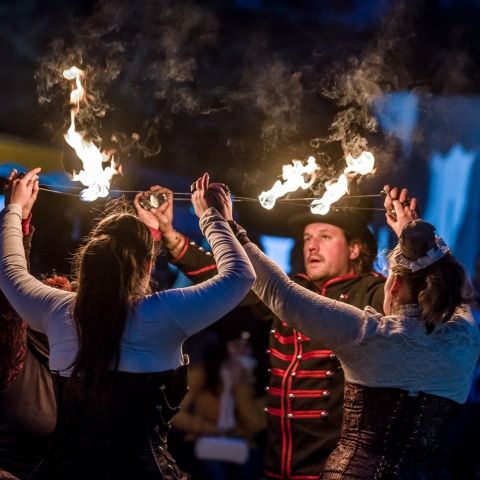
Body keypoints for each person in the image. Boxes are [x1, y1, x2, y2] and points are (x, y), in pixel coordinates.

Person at [0, 169, 255, 480]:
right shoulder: (166, 312)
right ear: (148, 264)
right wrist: (212, 218)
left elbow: (10, 270)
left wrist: (15, 210)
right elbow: (241, 276)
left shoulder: (58, 309)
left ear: (88, 259)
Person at [225, 185, 480, 478]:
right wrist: (414, 236)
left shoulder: (370, 334)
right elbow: (454, 285)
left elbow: (280, 293)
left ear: (393, 286)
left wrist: (226, 225)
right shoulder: (466, 335)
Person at [134, 184, 385, 479]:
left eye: (324, 237)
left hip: (336, 470)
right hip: (278, 464)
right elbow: (227, 277)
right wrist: (168, 233)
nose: (311, 246)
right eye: (307, 238)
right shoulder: (290, 290)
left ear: (354, 248)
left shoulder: (374, 292)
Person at [0, 170, 69, 480]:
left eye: (69, 289)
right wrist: (18, 216)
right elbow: (10, 296)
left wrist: (153, 232)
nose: (60, 281)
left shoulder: (78, 359)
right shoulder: (12, 356)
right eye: (46, 285)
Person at [172, 332, 266, 480]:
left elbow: (256, 425)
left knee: (248, 469)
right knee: (212, 470)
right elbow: (176, 414)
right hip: (203, 441)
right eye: (236, 345)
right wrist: (208, 428)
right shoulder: (204, 372)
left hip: (241, 445)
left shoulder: (257, 379)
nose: (240, 352)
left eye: (246, 347)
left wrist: (241, 387)